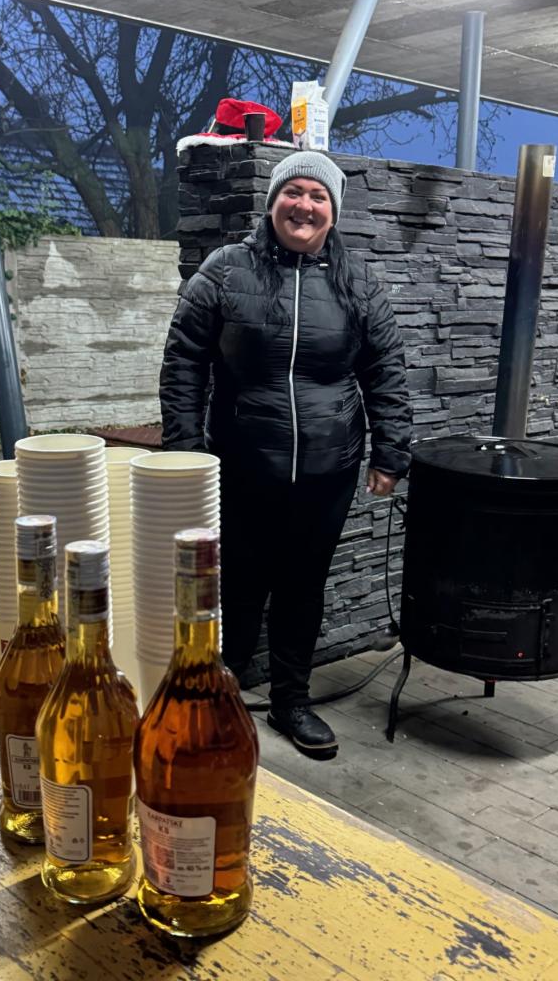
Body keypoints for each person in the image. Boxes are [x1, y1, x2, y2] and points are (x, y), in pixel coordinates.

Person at [160, 150, 413, 759]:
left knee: (304, 585)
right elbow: (183, 363)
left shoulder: (359, 282)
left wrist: (390, 452)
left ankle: (290, 702)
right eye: (293, 192)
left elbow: (385, 369)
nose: (304, 205)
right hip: (243, 466)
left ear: (333, 211)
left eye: (318, 196)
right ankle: (214, 701)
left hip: (329, 468)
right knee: (237, 584)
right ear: (273, 203)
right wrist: (185, 453)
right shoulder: (226, 270)